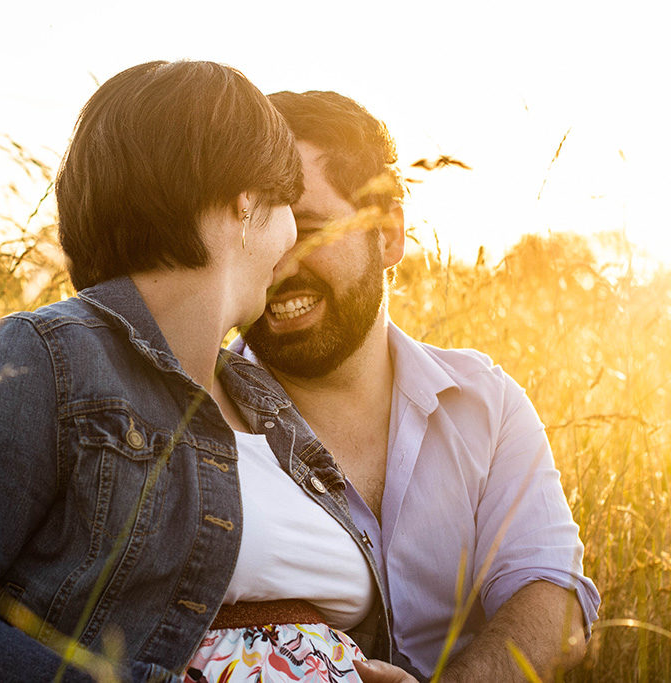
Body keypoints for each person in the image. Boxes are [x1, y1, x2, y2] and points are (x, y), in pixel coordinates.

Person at [0, 62, 415, 682]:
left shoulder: (265, 399)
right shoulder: (44, 358)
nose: (291, 246)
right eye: (290, 209)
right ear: (245, 201)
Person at [233, 90, 601, 681]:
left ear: (389, 235)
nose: (279, 267)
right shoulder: (190, 419)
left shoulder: (489, 405)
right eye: (259, 237)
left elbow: (553, 599)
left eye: (307, 229)